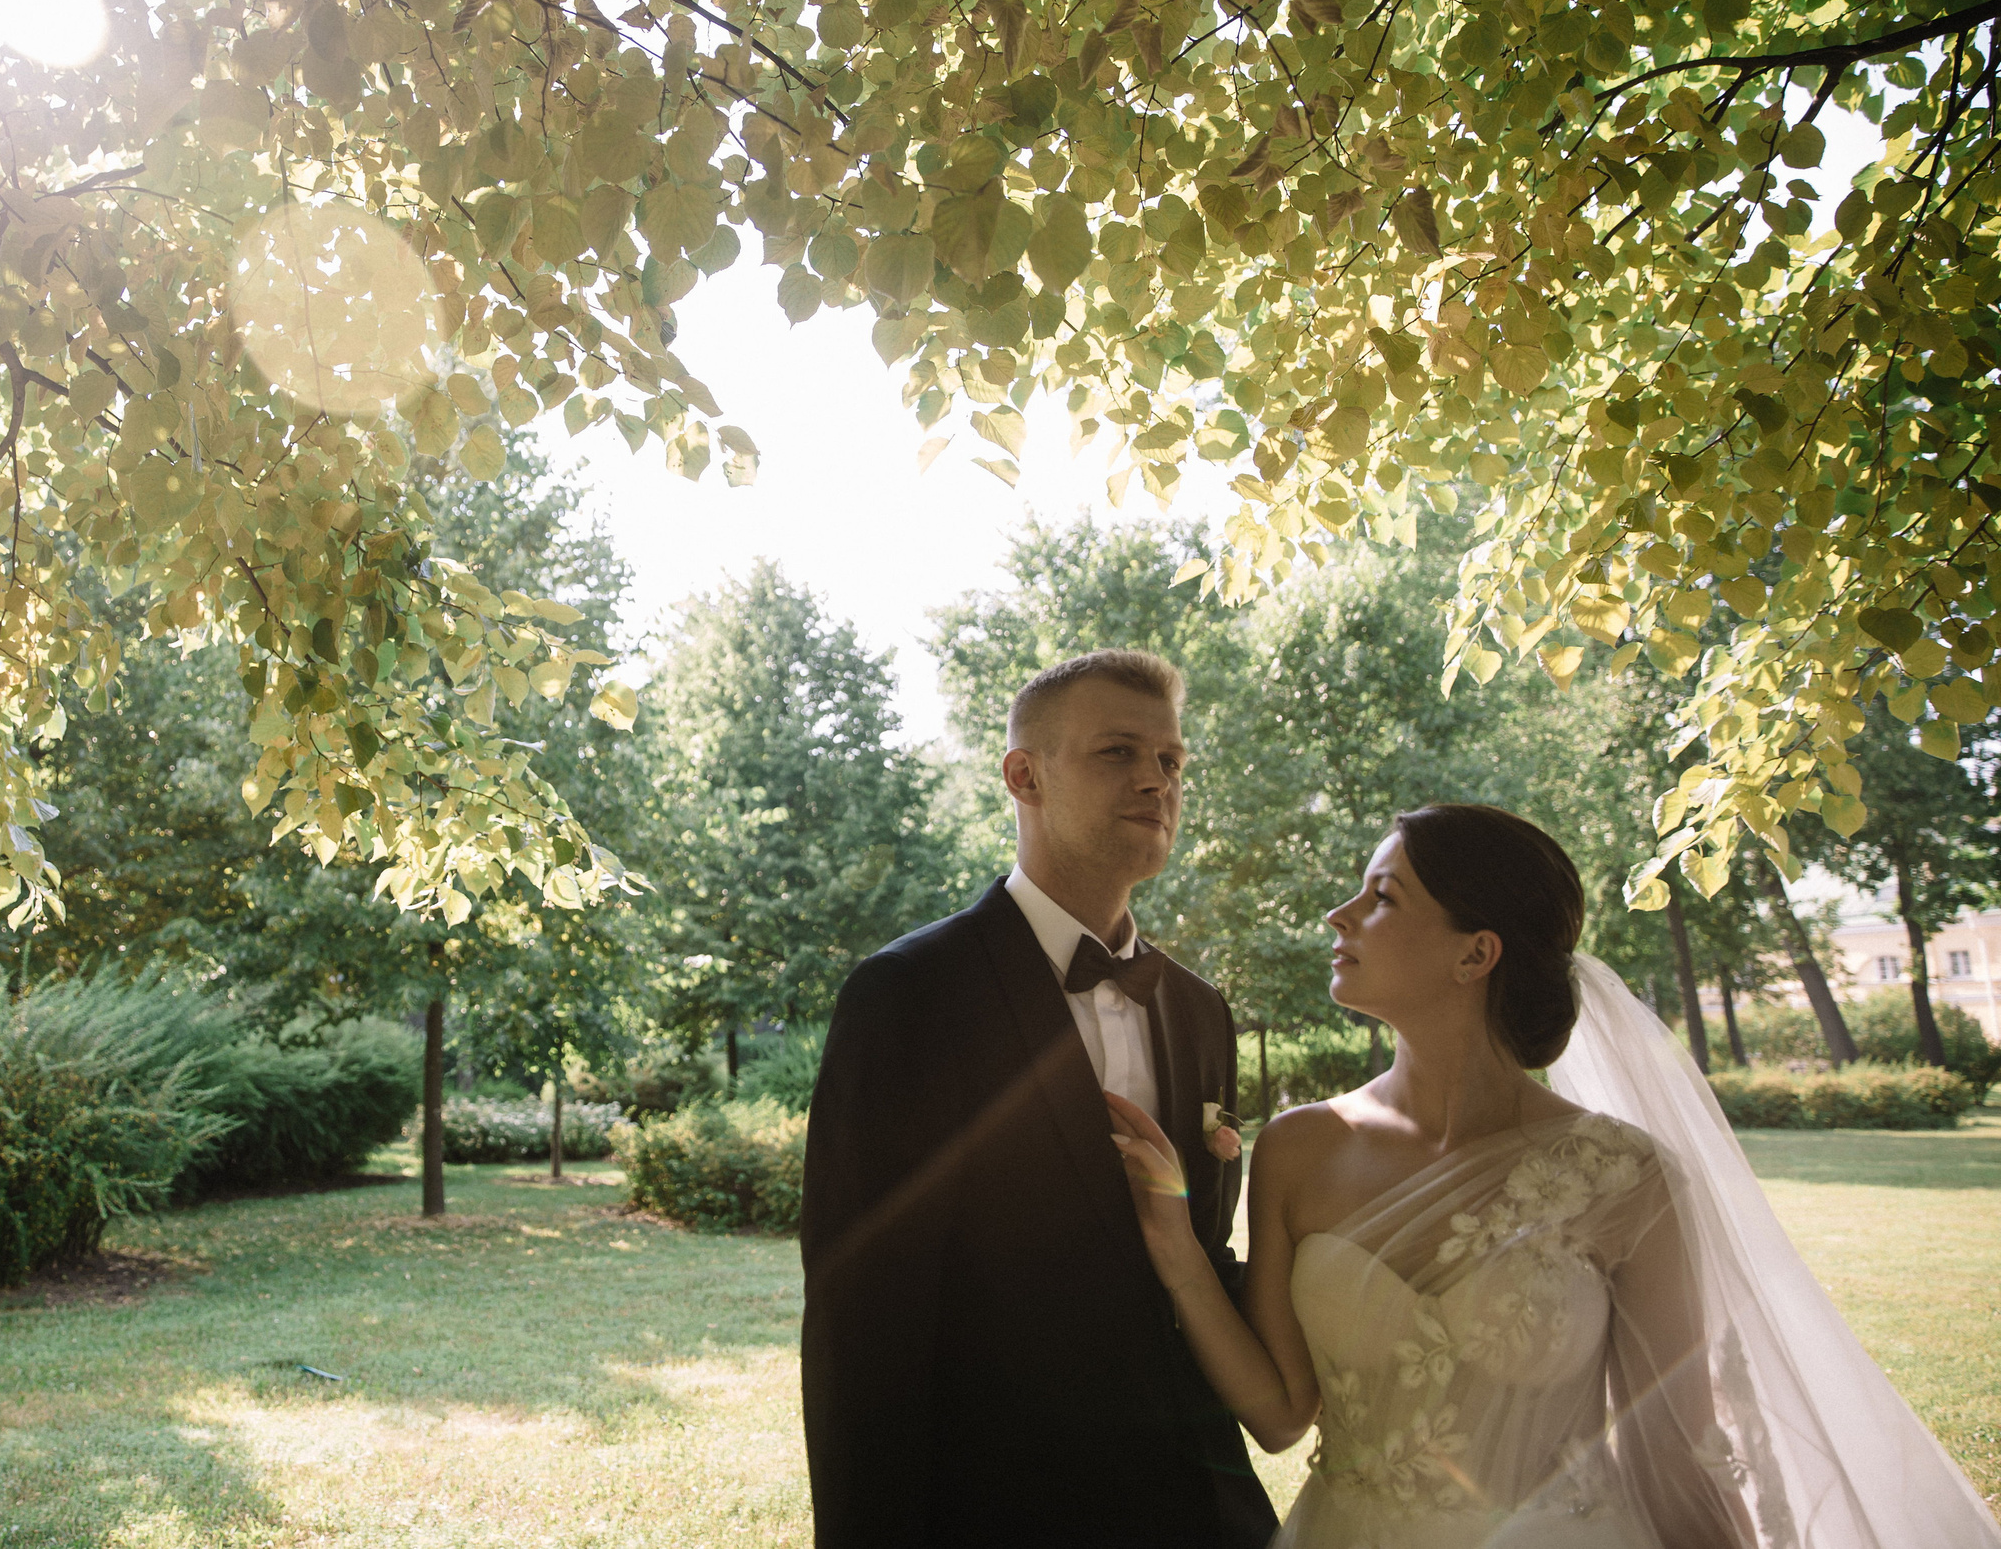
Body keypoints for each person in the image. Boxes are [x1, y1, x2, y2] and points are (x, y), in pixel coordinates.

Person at [1107, 803, 2001, 1549]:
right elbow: (1280, 1415)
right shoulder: (1301, 1147)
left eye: (1381, 897)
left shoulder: (1624, 1176)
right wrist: (1177, 1251)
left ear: (1475, 953)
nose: (1339, 915)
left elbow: (1678, 1449)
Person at [800, 649, 1276, 1549]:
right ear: (1024, 776)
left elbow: (1202, 1261)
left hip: (1204, 1512)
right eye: (1118, 752)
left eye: (1171, 760)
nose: (1157, 781)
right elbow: (862, 1324)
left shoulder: (1200, 1010)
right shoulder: (908, 996)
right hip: (999, 1513)